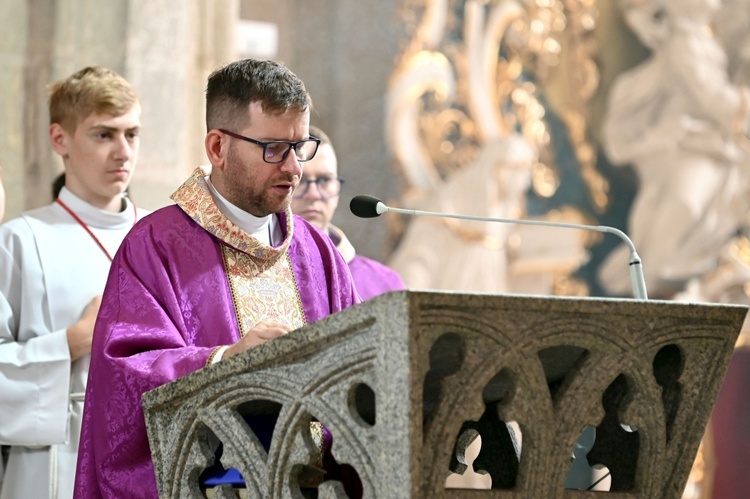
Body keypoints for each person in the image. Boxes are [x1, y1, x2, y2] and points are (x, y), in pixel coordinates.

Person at [73, 58, 361, 498]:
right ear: (217, 148)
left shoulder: (319, 255)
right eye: (273, 149)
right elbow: (123, 383)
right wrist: (225, 364)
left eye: (299, 147)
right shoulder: (156, 245)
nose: (294, 170)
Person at [0, 66, 146, 499]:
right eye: (104, 135)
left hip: (149, 458)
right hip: (53, 466)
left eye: (132, 134)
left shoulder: (160, 240)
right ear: (59, 139)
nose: (123, 152)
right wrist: (72, 342)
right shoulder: (19, 241)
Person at [291, 125, 406, 300]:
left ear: (337, 190)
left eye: (324, 180)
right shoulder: (261, 273)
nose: (313, 194)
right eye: (301, 180)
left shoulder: (384, 284)